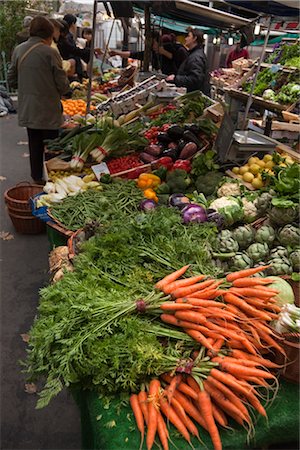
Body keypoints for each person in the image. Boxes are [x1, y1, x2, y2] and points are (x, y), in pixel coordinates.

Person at [8, 16, 70, 184]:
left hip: (28, 108)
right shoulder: (50, 52)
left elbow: (12, 79)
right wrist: (67, 91)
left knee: (34, 144)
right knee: (51, 146)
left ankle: (37, 179)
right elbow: (61, 82)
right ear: (48, 35)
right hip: (48, 109)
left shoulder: (19, 50)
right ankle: (53, 180)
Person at [166, 27, 210, 95]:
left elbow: (195, 79)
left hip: (195, 97)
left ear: (195, 38)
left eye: (188, 36)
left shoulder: (196, 57)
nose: (186, 39)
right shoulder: (194, 54)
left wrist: (176, 78)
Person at [109, 31, 176, 75]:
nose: (145, 43)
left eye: (147, 40)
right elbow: (134, 54)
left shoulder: (168, 48)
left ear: (154, 40)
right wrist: (117, 53)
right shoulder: (151, 53)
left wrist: (163, 51)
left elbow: (174, 57)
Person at [57, 15, 90, 81]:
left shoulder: (64, 37)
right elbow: (72, 50)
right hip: (69, 69)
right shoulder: (66, 37)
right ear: (72, 24)